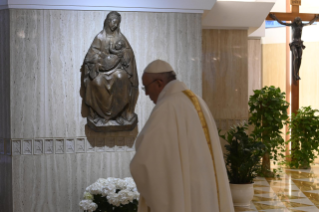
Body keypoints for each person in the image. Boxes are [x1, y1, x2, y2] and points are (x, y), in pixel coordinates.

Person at [130, 60, 234, 212]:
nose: (146, 93)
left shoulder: (167, 106)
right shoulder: (198, 101)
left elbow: (145, 162)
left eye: (146, 87)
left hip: (186, 193)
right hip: (206, 191)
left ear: (159, 83)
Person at [84, 11, 138, 127]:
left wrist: (123, 54)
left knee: (121, 78)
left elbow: (129, 53)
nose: (116, 25)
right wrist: (100, 59)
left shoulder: (121, 38)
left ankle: (118, 115)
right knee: (96, 82)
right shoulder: (100, 37)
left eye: (117, 23)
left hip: (117, 69)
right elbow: (90, 55)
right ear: (108, 22)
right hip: (101, 70)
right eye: (114, 22)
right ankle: (102, 115)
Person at [269, 14, 319, 81]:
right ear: (295, 21)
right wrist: (275, 17)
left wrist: (315, 18)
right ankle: (295, 74)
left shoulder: (302, 25)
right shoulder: (293, 25)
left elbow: (310, 23)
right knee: (296, 57)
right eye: (297, 22)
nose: (298, 23)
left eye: (299, 22)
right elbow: (282, 23)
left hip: (300, 43)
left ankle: (297, 73)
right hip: (294, 43)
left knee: (300, 57)